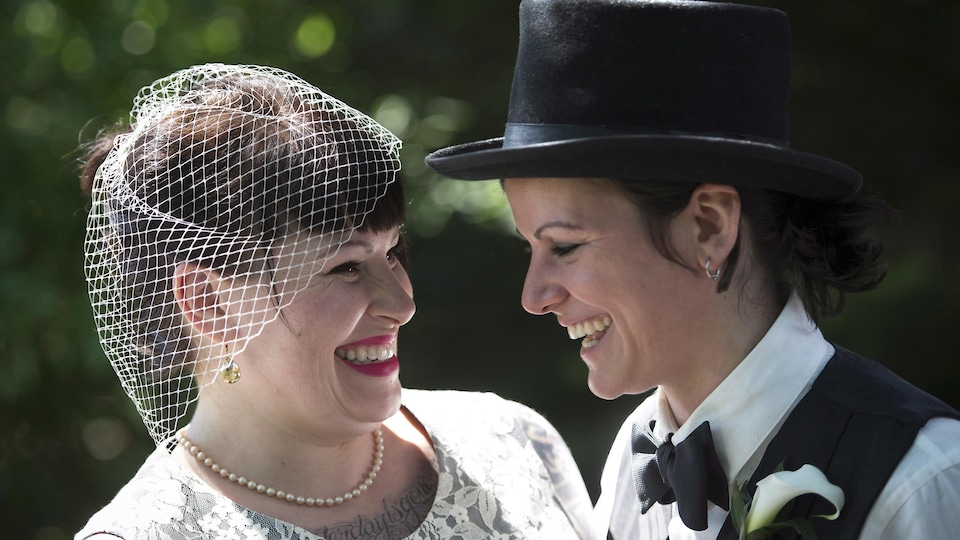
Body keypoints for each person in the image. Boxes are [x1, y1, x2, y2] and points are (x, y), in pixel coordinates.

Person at [425, 1, 960, 538]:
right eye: (529, 249)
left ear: (709, 226)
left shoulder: (923, 480)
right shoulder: (637, 453)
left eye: (564, 246)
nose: (534, 296)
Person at [75, 63, 594, 539]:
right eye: (345, 267)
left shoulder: (514, 440)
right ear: (208, 301)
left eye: (393, 254)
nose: (402, 303)